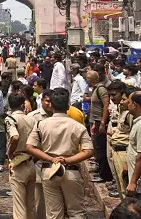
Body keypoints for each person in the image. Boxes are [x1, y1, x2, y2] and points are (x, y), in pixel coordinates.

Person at [25, 88, 94, 219]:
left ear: (51, 105)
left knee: (53, 213)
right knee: (76, 213)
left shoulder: (41, 125)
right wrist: (67, 160)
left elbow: (30, 147)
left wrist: (51, 159)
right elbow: (88, 151)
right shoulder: (77, 126)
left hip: (49, 170)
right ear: (68, 105)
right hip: (71, 170)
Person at [5, 92, 36, 219]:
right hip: (31, 162)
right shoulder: (32, 119)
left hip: (18, 163)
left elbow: (15, 136)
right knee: (31, 204)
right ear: (23, 105)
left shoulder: (10, 119)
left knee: (19, 206)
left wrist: (10, 152)